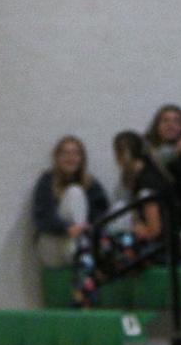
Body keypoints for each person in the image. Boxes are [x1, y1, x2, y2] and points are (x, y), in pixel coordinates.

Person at [72, 131, 168, 307]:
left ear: (122, 154)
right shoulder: (141, 178)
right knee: (92, 243)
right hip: (147, 241)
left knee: (89, 243)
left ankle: (84, 296)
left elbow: (154, 229)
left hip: (156, 246)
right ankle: (88, 290)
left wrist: (136, 228)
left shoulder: (147, 182)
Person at [31, 137, 109, 269]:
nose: (71, 158)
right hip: (52, 245)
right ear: (57, 157)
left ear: (82, 158)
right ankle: (81, 252)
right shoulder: (47, 181)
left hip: (76, 243)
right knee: (75, 192)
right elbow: (42, 217)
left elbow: (102, 213)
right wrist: (67, 228)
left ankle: (81, 252)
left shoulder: (90, 183)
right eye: (66, 153)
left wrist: (87, 227)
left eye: (75, 153)